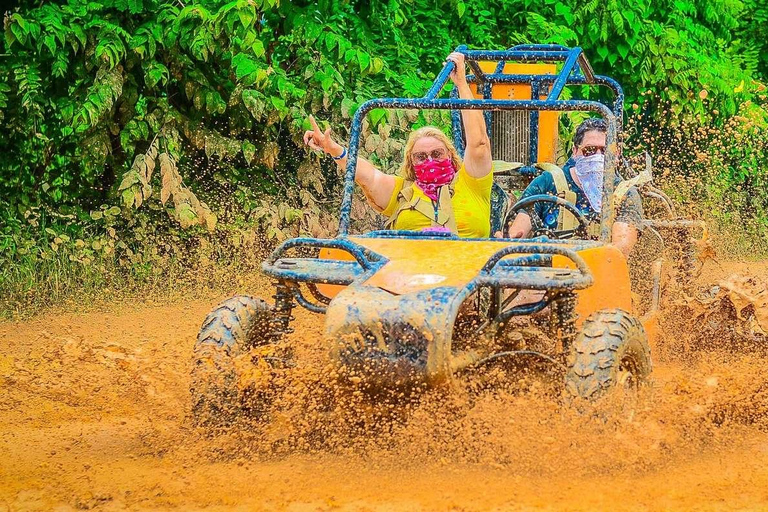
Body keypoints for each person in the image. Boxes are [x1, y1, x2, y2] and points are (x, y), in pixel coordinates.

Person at [303, 52, 493, 238]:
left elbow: (479, 143)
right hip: (410, 264)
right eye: (420, 156)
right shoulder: (402, 191)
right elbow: (368, 176)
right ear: (411, 162)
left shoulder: (471, 183)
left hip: (468, 263)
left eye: (437, 153)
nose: (429, 160)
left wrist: (461, 83)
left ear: (449, 155)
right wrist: (332, 148)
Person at [505, 118, 643, 256]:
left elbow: (620, 250)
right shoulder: (548, 182)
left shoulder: (624, 193)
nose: (598, 156)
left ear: (616, 154)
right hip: (546, 268)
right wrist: (509, 241)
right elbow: (517, 233)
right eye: (590, 150)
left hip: (599, 269)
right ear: (575, 151)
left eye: (605, 151)